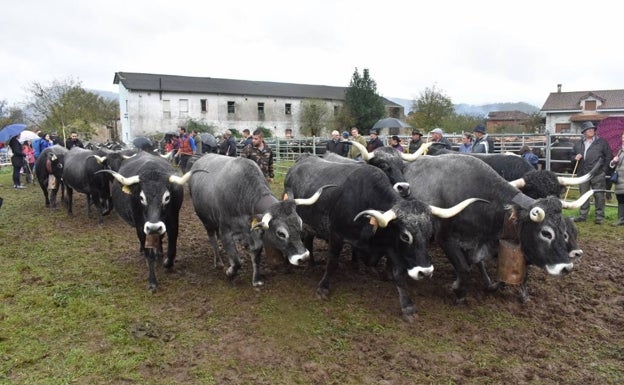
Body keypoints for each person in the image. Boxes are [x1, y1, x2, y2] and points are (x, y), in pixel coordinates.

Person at [571, 121, 613, 224]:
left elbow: (608, 156)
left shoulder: (602, 142)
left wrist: (603, 171)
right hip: (582, 174)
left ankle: (599, 217)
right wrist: (574, 157)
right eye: (589, 129)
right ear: (584, 132)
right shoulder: (578, 144)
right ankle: (582, 215)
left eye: (592, 129)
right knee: (583, 195)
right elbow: (571, 156)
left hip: (597, 174)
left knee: (599, 195)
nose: (591, 130)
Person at [609, 131, 624, 225]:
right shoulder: (620, 151)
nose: (623, 139)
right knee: (621, 200)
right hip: (620, 180)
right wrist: (613, 161)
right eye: (622, 137)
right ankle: (621, 219)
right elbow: (611, 165)